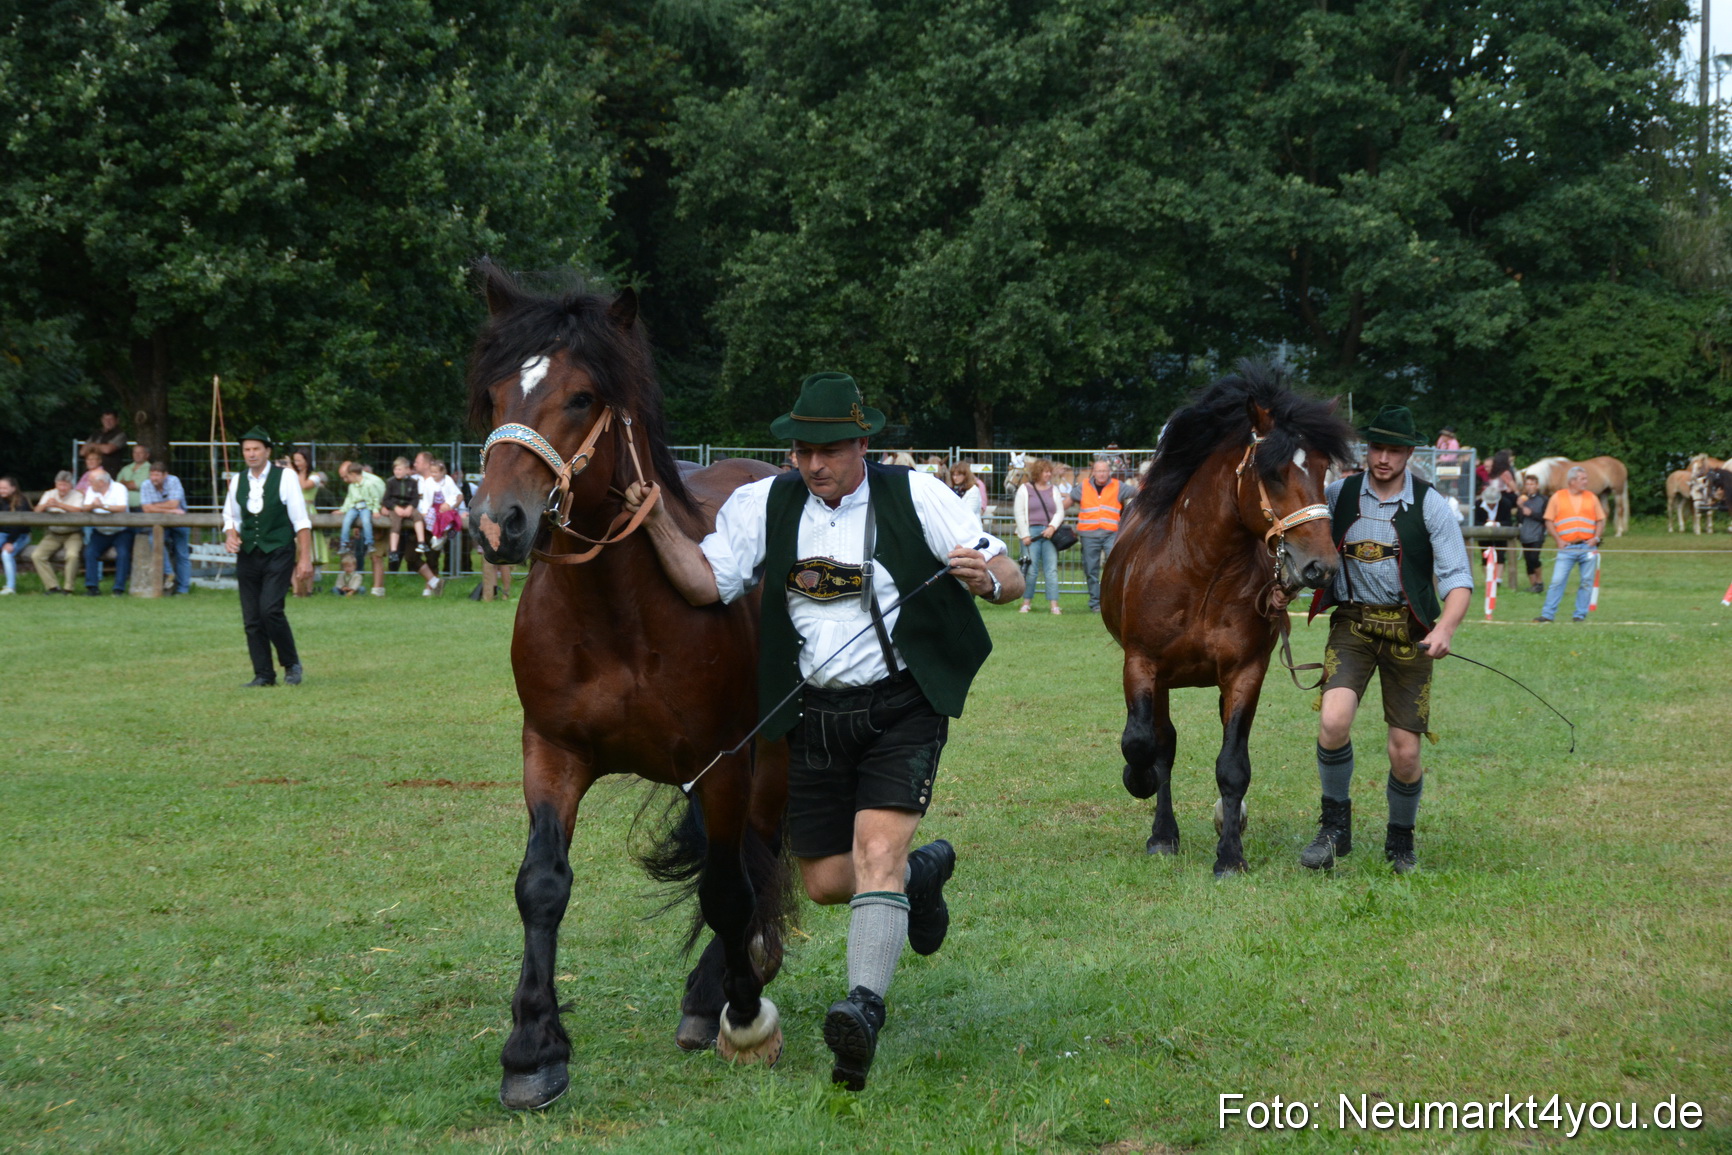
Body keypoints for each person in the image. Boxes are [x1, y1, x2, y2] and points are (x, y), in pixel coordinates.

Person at [622, 370, 1023, 1091]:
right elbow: (706, 583)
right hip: (811, 716)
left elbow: (1010, 570)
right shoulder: (764, 504)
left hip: (902, 706)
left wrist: (986, 577)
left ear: (862, 442)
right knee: (829, 878)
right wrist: (654, 521)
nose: (814, 464)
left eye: (829, 449)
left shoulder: (914, 493)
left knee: (874, 851)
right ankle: (921, 874)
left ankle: (862, 1009)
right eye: (803, 449)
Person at [1276, 405, 1472, 875]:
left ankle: (1400, 843)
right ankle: (1333, 831)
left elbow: (1458, 578)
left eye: (1395, 450)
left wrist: (1444, 628)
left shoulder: (1431, 506)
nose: (1384, 458)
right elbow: (1305, 548)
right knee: (1333, 720)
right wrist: (1282, 591)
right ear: (1367, 450)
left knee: (1404, 752)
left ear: (1409, 453)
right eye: (1377, 448)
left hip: (1410, 634)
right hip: (1352, 626)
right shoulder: (1338, 496)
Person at [222, 427, 313, 686]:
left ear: (267, 451)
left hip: (278, 551)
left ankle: (291, 663)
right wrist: (231, 534)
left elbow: (301, 521)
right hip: (248, 554)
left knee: (271, 609)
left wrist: (304, 559)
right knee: (251, 617)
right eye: (247, 450)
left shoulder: (285, 477)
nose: (251, 454)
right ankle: (263, 674)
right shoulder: (238, 480)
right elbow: (231, 517)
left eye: (256, 449)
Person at [1535, 466, 1605, 624]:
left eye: (1586, 479)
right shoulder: (1557, 497)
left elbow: (1600, 520)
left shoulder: (1592, 497)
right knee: (1557, 581)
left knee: (1587, 582)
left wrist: (1596, 538)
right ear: (1572, 481)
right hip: (1567, 548)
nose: (1586, 482)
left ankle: (1580, 615)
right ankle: (1548, 615)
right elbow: (1549, 520)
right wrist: (1558, 540)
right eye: (1583, 479)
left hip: (1588, 547)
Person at [1075, 456, 1130, 613]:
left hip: (1111, 533)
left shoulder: (1118, 486)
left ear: (1109, 472)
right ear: (1093, 472)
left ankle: (1114, 602)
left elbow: (1138, 492)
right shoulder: (1083, 487)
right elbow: (1066, 501)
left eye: (1105, 471)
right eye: (1099, 471)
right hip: (1088, 535)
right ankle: (1095, 603)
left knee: (1115, 566)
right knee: (1091, 570)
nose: (1102, 474)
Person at [1013, 457, 1065, 614]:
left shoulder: (1054, 490)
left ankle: (1054, 605)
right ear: (1038, 473)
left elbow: (1060, 511)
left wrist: (1052, 527)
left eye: (1049, 471)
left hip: (1049, 534)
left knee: (1051, 569)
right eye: (1045, 471)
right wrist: (1024, 535)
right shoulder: (1025, 489)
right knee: (1031, 569)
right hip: (1031, 533)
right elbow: (1019, 512)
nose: (1048, 474)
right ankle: (1026, 602)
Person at [140, 461, 191, 595]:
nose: (154, 478)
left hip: (180, 522)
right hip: (160, 524)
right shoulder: (146, 484)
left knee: (182, 554)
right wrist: (169, 509)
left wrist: (156, 507)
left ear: (165, 475)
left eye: (157, 475)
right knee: (154, 541)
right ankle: (169, 572)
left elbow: (174, 503)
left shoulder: (174, 481)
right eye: (152, 475)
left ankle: (183, 590)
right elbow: (146, 508)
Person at [81, 468, 132, 595]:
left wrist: (103, 506)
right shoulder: (91, 490)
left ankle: (118, 588)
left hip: (121, 531)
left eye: (91, 481)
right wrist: (93, 506)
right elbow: (85, 507)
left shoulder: (119, 488)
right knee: (90, 552)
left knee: (123, 554)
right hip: (100, 531)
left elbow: (122, 507)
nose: (88, 483)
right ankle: (92, 587)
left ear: (102, 482)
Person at [31, 471, 83, 594]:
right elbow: (36, 511)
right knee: (37, 555)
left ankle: (68, 588)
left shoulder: (77, 495)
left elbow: (79, 510)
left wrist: (60, 505)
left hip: (72, 533)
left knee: (72, 555)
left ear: (71, 485)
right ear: (56, 484)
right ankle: (52, 587)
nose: (62, 488)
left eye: (65, 485)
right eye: (60, 485)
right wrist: (44, 505)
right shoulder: (49, 494)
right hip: (53, 533)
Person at [288, 449, 330, 595]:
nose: (297, 463)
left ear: (307, 460)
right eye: (295, 460)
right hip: (293, 511)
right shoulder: (291, 475)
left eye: (299, 460)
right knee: (292, 553)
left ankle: (308, 589)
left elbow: (304, 486)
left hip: (308, 510)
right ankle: (296, 589)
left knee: (310, 553)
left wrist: (295, 472)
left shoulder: (315, 476)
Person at [336, 461, 386, 564]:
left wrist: (376, 510)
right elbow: (350, 499)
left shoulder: (370, 483)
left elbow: (376, 498)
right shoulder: (354, 485)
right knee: (360, 548)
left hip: (377, 513)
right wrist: (343, 510)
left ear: (352, 473)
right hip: (363, 511)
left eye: (346, 477)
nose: (345, 480)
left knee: (377, 555)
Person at [382, 457, 425, 563]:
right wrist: (395, 508)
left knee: (418, 516)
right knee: (395, 524)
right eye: (395, 469)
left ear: (407, 470)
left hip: (408, 506)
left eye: (399, 469)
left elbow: (415, 498)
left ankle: (421, 542)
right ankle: (393, 551)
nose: (396, 472)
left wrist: (410, 507)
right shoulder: (391, 482)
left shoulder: (413, 482)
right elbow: (386, 499)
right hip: (395, 508)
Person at [1472, 484, 1515, 586]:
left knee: (1500, 555)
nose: (1491, 504)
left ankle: (1498, 580)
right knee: (1485, 555)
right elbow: (1475, 522)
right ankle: (1489, 579)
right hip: (1483, 533)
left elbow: (1508, 522)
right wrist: (1485, 524)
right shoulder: (1478, 504)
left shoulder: (1506, 504)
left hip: (1501, 533)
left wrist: (1497, 524)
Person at [1515, 475, 1547, 594]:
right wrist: (1520, 507)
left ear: (1537, 485)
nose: (1529, 487)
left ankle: (1539, 582)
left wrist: (1531, 513)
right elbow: (1519, 518)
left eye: (1532, 484)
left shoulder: (1543, 499)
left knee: (1534, 558)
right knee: (1528, 560)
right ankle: (1534, 585)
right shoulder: (1523, 500)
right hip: (1525, 534)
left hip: (1538, 534)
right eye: (1527, 484)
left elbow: (1545, 517)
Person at [0, 477, 29, 594]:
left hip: (20, 535)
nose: (2, 490)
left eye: (5, 488)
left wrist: (10, 542)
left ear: (13, 488)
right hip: (2, 534)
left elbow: (19, 526)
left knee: (6, 553)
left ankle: (10, 587)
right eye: (0, 488)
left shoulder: (22, 502)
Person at [79, 408, 127, 477]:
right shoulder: (96, 434)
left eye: (111, 419)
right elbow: (82, 452)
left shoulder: (120, 434)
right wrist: (101, 447)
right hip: (90, 472)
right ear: (102, 420)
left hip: (108, 473)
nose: (108, 422)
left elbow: (108, 450)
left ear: (117, 421)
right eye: (105, 419)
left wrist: (92, 445)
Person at [116, 443, 152, 510]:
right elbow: (117, 486)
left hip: (141, 508)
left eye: (140, 452)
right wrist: (128, 484)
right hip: (123, 507)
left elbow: (135, 485)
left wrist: (123, 482)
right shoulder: (125, 468)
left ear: (147, 455)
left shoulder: (150, 469)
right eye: (135, 452)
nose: (137, 455)